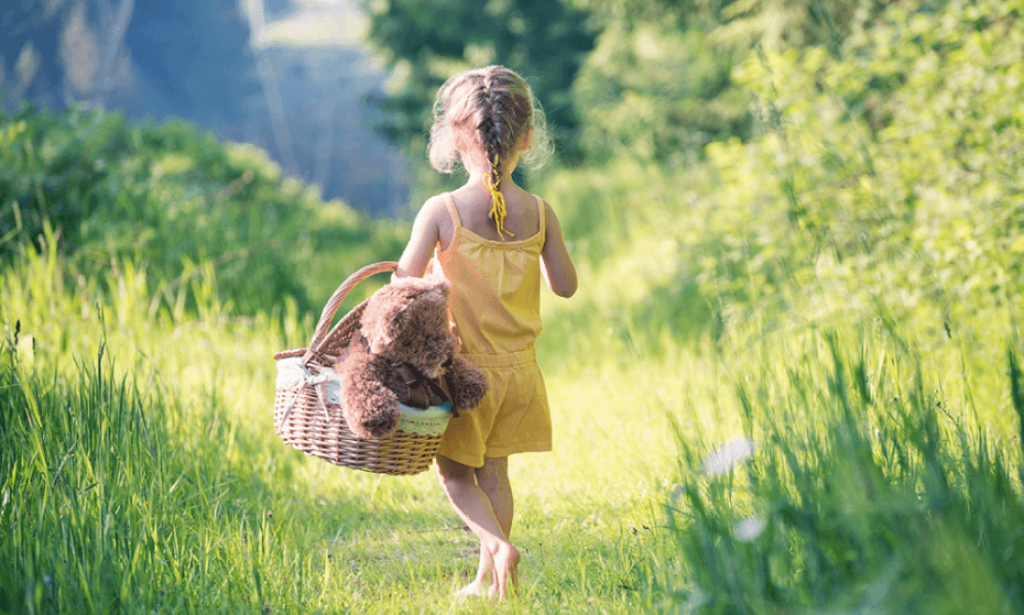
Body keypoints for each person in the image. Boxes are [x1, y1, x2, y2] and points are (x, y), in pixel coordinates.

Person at [393, 65, 577, 600]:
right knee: (495, 475)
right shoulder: (539, 212)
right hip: (520, 374)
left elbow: (402, 284)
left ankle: (498, 548)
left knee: (455, 476)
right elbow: (565, 286)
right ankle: (489, 582)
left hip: (466, 375)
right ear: (527, 137)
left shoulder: (442, 211)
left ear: (455, 137)